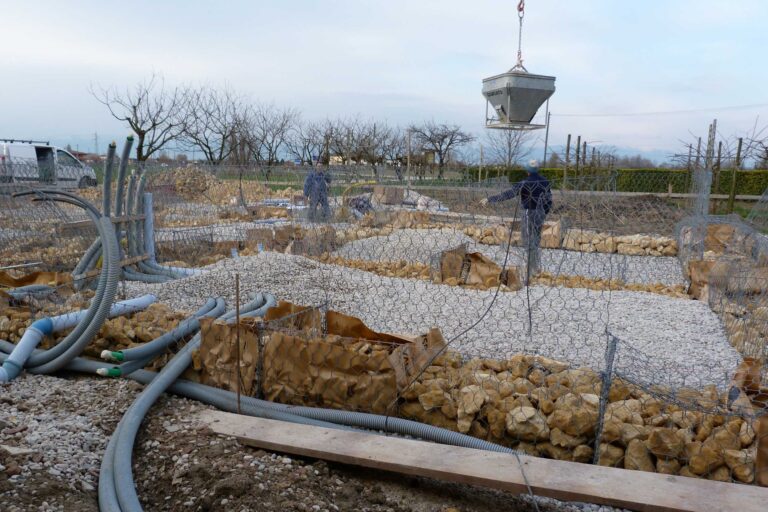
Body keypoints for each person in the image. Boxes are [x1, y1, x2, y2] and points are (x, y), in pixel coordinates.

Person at [480, 159, 552, 277]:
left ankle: (531, 270)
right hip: (540, 213)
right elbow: (549, 199)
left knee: (528, 240)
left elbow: (509, 194)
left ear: (527, 170)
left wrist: (490, 199)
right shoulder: (545, 181)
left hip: (529, 212)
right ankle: (536, 267)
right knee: (536, 239)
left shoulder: (525, 182)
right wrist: (544, 211)